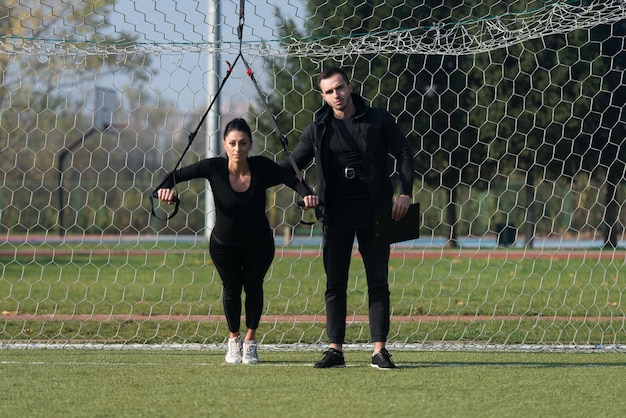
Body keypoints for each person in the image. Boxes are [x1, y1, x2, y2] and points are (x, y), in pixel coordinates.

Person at [280, 67, 415, 369]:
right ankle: (335, 350)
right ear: (323, 96)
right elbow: (288, 167)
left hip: (377, 211)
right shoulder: (318, 127)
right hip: (335, 213)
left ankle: (379, 351)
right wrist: (305, 192)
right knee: (334, 283)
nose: (336, 95)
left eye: (340, 88)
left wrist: (405, 193)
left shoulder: (378, 118)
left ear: (350, 87)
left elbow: (405, 153)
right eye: (329, 92)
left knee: (378, 281)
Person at [156, 118, 319, 364]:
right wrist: (165, 192)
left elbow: (294, 180)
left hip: (259, 244)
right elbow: (172, 176)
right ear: (224, 144)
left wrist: (307, 195)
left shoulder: (262, 166)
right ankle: (234, 339)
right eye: (232, 143)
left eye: (243, 143)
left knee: (254, 287)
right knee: (231, 289)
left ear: (250, 145)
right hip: (223, 246)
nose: (237, 148)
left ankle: (251, 342)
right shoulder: (214, 167)